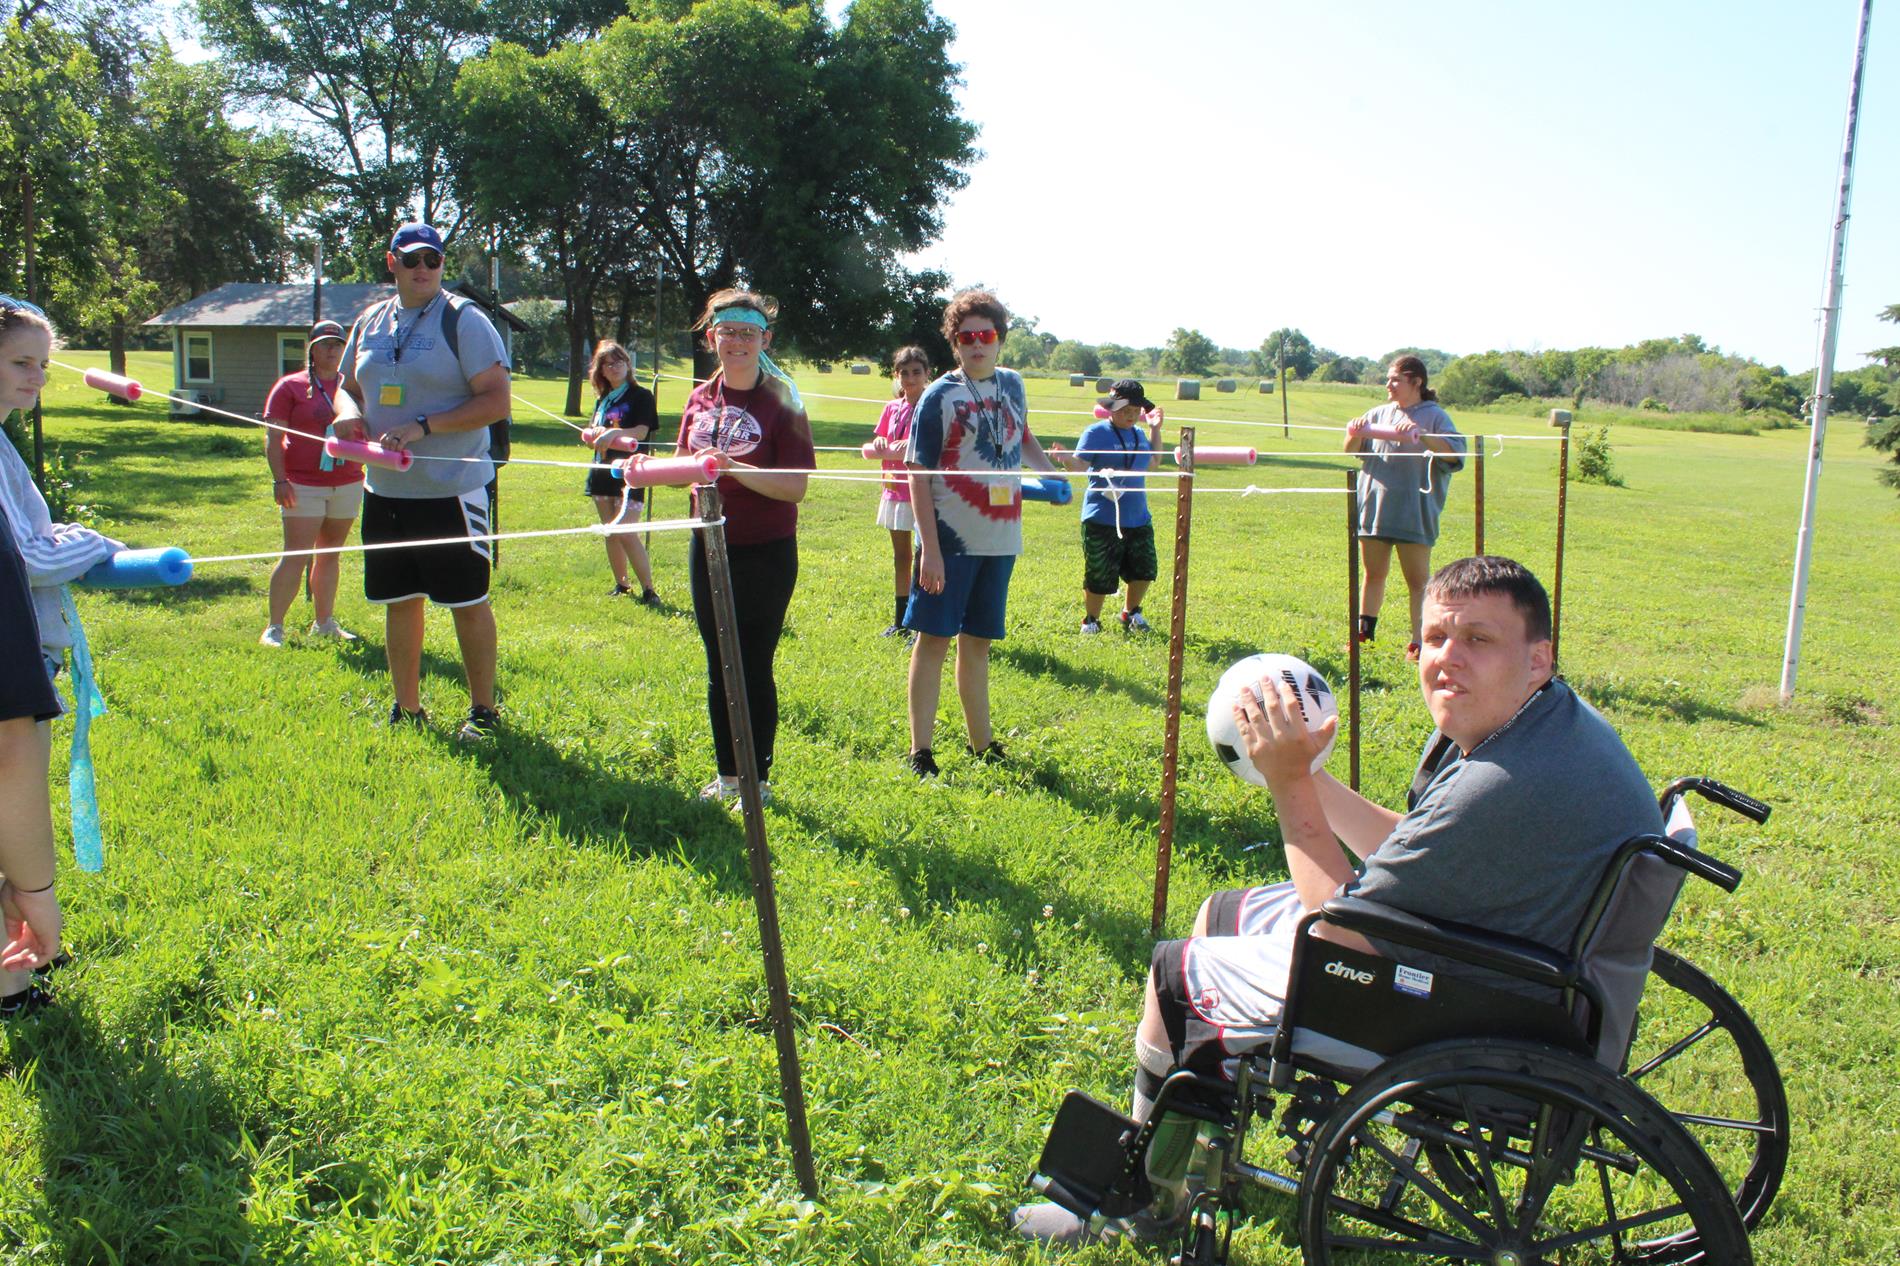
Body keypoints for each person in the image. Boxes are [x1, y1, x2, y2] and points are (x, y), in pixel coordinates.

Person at [1013, 556, 1665, 1245]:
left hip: (1471, 1009)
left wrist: (1290, 784)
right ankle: (1193, 1157)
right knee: (1222, 914)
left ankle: (1143, 1200)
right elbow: (1412, 848)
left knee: (1177, 975)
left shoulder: (1504, 779)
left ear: (1538, 659)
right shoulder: (1544, 728)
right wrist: (1308, 772)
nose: (1447, 660)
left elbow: (1336, 938)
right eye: (1435, 637)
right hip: (1517, 977)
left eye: (1479, 640)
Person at [331, 222, 511, 741]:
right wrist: (346, 413)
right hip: (385, 492)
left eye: (432, 259)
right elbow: (344, 389)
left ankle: (484, 711)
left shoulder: (465, 321)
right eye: (412, 260)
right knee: (400, 599)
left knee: (466, 601)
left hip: (452, 490)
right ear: (392, 264)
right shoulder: (370, 320)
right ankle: (405, 708)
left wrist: (424, 426)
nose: (423, 269)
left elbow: (495, 401)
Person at [0, 296, 118, 1015]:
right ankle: (14, 979)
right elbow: (23, 557)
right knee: (12, 787)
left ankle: (13, 978)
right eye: (19, 362)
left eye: (42, 365)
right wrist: (97, 544)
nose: (36, 378)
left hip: (21, 653)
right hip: (14, 665)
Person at [903, 289, 1059, 777]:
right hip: (949, 540)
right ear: (954, 343)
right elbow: (917, 473)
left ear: (999, 340)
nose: (976, 344)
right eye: (966, 336)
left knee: (978, 641)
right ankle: (920, 752)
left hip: (1001, 537)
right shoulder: (939, 395)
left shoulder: (1013, 384)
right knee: (934, 638)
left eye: (985, 335)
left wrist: (1052, 473)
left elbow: (1022, 436)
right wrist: (929, 550)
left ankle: (981, 744)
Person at [674, 289, 814, 806]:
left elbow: (795, 487)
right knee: (718, 662)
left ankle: (759, 779)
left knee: (752, 662)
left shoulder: (783, 399)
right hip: (707, 545)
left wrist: (733, 468)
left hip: (766, 549)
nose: (737, 341)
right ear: (713, 337)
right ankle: (729, 776)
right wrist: (632, 458)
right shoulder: (698, 398)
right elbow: (680, 467)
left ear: (764, 339)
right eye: (727, 331)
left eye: (748, 333)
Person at [1345, 355, 1466, 661]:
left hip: (1415, 511)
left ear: (1417, 382)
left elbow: (1455, 456)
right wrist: (1355, 433)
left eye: (1395, 379)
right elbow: (1350, 450)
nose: (1389, 384)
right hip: (1375, 508)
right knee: (1373, 574)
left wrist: (1422, 434)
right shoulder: (1378, 413)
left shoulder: (1435, 416)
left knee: (1417, 581)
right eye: (1388, 379)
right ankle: (1363, 635)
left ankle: (1419, 643)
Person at [259, 319, 364, 647]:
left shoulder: (356, 388)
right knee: (296, 554)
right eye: (326, 344)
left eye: (338, 345)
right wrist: (280, 480)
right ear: (312, 349)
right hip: (303, 483)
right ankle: (274, 627)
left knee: (330, 555)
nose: (333, 351)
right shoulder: (290, 386)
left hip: (347, 480)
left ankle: (324, 622)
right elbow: (274, 438)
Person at [1053, 378, 1163, 634]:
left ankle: (1131, 613)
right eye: (1126, 411)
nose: (1131, 416)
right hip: (1101, 517)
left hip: (1138, 517)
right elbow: (1079, 466)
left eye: (1136, 412)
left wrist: (1155, 429)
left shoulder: (1139, 434)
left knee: (1145, 570)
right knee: (1100, 573)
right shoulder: (1095, 433)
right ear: (1111, 408)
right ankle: (1091, 620)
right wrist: (1066, 459)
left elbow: (1155, 462)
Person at [578, 340, 660, 604]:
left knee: (626, 530)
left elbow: (641, 432)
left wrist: (614, 433)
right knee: (610, 531)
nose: (614, 367)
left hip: (631, 473)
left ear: (628, 364)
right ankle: (622, 584)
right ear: (600, 370)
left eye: (619, 361)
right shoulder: (602, 399)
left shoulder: (641, 396)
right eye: (607, 364)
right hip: (601, 472)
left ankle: (649, 590)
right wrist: (594, 435)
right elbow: (594, 432)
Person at [866, 346, 929, 637]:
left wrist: (914, 443)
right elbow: (881, 436)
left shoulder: (931, 406)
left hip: (923, 493)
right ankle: (901, 620)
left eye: (916, 372)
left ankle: (920, 623)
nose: (910, 378)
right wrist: (880, 443)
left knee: (922, 556)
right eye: (904, 373)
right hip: (894, 490)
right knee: (901, 556)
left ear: (927, 374)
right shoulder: (891, 408)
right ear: (897, 375)